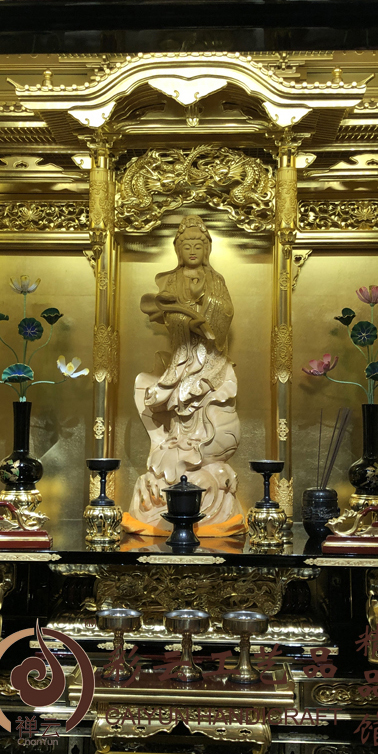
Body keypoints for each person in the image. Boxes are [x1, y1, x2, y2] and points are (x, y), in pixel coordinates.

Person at [128, 214, 242, 529]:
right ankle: (179, 444)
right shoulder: (173, 280)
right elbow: (165, 312)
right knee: (178, 401)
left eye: (198, 245)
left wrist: (206, 309)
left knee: (201, 398)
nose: (192, 251)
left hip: (209, 357)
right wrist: (185, 318)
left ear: (207, 249)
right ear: (178, 249)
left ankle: (198, 451)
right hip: (182, 354)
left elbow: (225, 312)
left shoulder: (215, 279)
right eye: (186, 246)